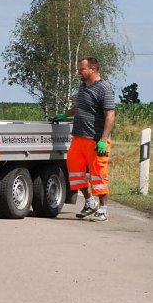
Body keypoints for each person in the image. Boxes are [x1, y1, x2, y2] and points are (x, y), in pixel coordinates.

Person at [52, 56, 116, 222]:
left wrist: (103, 139)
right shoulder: (83, 86)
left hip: (96, 140)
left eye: (82, 69)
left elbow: (110, 115)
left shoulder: (104, 88)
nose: (79, 72)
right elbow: (79, 106)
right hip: (79, 138)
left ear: (92, 69)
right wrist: (65, 115)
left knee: (98, 176)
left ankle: (103, 209)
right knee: (75, 173)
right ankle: (89, 202)